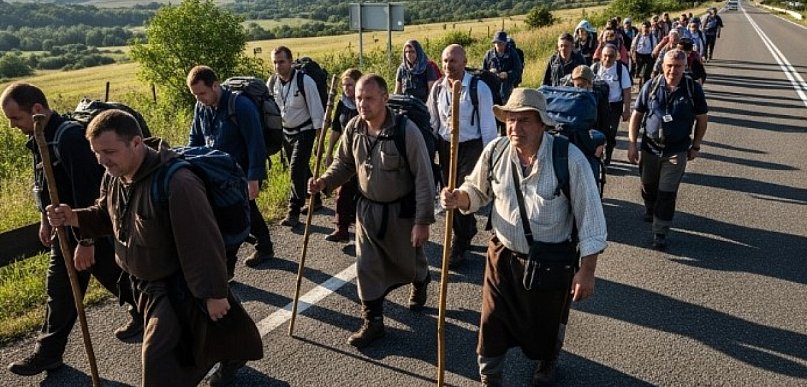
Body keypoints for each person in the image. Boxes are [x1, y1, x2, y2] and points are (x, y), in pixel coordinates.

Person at [45, 109, 263, 386]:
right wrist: (74, 216)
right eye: (96, 153)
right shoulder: (115, 176)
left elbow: (202, 242)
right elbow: (107, 215)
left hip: (175, 288)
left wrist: (213, 292)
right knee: (218, 327)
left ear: (136, 143)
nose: (102, 161)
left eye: (109, 151)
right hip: (143, 284)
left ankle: (227, 349)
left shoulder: (178, 182)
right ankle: (232, 353)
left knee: (159, 364)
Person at [440, 88, 607, 386]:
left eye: (525, 120)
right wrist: (459, 198)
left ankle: (548, 360)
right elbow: (476, 191)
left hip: (551, 262)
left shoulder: (568, 158)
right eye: (510, 120)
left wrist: (587, 270)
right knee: (491, 323)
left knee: (546, 324)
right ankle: (490, 377)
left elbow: (590, 218)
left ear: (542, 123)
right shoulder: (496, 151)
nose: (515, 127)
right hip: (501, 258)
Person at [1, 83, 141, 377]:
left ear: (36, 109)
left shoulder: (69, 138)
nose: (13, 126)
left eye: (16, 118)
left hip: (89, 229)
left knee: (112, 279)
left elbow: (89, 190)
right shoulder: (40, 137)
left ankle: (167, 319)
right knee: (76, 288)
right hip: (65, 230)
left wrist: (86, 240)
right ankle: (50, 352)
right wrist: (44, 218)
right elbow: (45, 183)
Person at [308, 74, 435, 348]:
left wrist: (422, 221)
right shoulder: (354, 128)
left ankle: (421, 279)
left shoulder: (406, 131)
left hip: (401, 213)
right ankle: (373, 322)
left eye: (368, 98)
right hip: (367, 212)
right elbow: (343, 165)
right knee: (366, 266)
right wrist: (324, 182)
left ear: (384, 98)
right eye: (358, 99)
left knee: (409, 263)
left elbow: (424, 178)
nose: (362, 104)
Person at [187, 65, 273, 273]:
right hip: (216, 173)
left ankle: (227, 268)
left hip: (240, 173)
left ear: (215, 85)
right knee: (242, 212)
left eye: (202, 93)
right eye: (195, 95)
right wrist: (187, 164)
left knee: (235, 213)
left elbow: (256, 143)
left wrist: (254, 178)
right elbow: (196, 138)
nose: (199, 99)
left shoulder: (240, 106)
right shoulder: (201, 107)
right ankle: (264, 245)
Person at [627, 49, 708, 251]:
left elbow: (702, 119)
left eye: (678, 66)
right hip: (650, 148)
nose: (673, 70)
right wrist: (631, 143)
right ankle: (649, 206)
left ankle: (660, 232)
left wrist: (696, 145)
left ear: (685, 67)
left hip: (677, 149)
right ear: (663, 66)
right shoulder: (652, 86)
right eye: (669, 65)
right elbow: (637, 115)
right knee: (648, 184)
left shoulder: (692, 89)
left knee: (667, 192)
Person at [428, 44, 497, 267]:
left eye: (453, 61)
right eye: (445, 61)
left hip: (471, 147)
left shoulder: (480, 89)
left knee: (459, 191)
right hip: (446, 145)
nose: (449, 65)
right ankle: (467, 230)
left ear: (464, 62)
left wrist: (491, 160)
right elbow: (433, 121)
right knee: (448, 191)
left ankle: (459, 242)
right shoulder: (438, 88)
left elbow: (488, 127)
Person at [268, 45, 326, 228]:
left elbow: (317, 110)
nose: (278, 66)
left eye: (282, 61)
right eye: (275, 62)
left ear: (291, 61)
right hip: (286, 132)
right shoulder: (272, 83)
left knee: (295, 168)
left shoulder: (305, 81)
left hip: (305, 130)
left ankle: (293, 210)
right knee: (301, 167)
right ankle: (315, 200)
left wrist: (320, 139)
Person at [323, 68, 363, 242]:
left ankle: (364, 229)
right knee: (343, 191)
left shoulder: (365, 103)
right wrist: (329, 151)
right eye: (345, 85)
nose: (347, 88)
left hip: (364, 154)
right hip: (346, 155)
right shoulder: (343, 103)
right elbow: (336, 129)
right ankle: (342, 229)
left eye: (350, 85)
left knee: (362, 193)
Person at [592, 44, 632, 166]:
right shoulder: (594, 68)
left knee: (611, 132)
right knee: (596, 131)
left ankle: (608, 156)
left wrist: (626, 109)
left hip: (614, 106)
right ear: (601, 56)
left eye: (611, 56)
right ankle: (596, 155)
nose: (607, 59)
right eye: (605, 56)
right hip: (598, 105)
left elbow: (627, 90)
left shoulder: (621, 69)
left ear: (616, 57)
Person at [482, 31, 524, 103]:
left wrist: (508, 74)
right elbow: (483, 71)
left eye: (500, 43)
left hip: (509, 85)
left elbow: (518, 69)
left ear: (505, 43)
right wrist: (490, 73)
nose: (498, 45)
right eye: (496, 43)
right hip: (493, 86)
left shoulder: (513, 53)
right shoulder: (489, 54)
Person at [631, 21, 658, 88]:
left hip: (648, 56)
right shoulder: (638, 37)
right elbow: (633, 47)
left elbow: (655, 48)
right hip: (639, 56)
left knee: (646, 74)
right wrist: (633, 56)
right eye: (644, 28)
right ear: (642, 28)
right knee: (638, 73)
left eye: (647, 28)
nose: (645, 29)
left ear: (650, 28)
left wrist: (655, 57)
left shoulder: (652, 38)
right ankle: (639, 87)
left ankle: (645, 88)